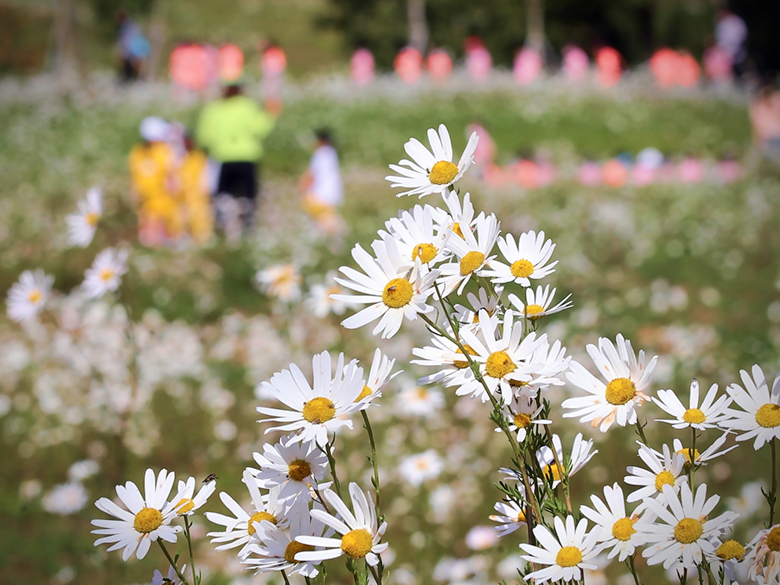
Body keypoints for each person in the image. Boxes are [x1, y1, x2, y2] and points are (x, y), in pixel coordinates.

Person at [196, 82, 278, 232]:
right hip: (247, 157)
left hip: (222, 157)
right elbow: (261, 129)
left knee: (223, 197)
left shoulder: (213, 109)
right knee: (248, 197)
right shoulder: (247, 106)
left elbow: (204, 138)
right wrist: (271, 112)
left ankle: (223, 227)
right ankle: (247, 227)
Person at [129, 117, 182, 246]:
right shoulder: (159, 151)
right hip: (151, 200)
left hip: (159, 199)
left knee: (160, 229)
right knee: (151, 230)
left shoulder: (139, 152)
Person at [299, 129, 344, 234]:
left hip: (320, 194)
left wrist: (303, 186)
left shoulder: (320, 153)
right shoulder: (332, 152)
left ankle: (330, 240)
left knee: (321, 222)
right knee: (328, 219)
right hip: (332, 194)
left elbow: (312, 173)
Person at [178, 134, 214, 244]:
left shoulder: (199, 157)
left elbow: (206, 178)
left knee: (201, 226)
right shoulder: (182, 157)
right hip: (183, 199)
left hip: (199, 199)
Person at [115, 9, 149, 82]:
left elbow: (131, 42)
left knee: (132, 74)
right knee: (130, 74)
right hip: (132, 54)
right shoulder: (130, 26)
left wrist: (134, 55)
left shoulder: (128, 27)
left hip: (132, 55)